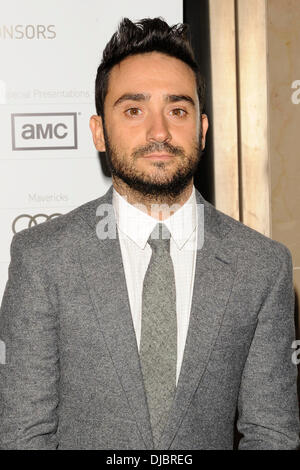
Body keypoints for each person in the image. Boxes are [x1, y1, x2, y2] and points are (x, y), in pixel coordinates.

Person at [0, 17, 299, 450]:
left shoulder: (262, 265)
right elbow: (23, 436)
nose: (158, 131)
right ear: (100, 132)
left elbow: (271, 434)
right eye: (134, 110)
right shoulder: (43, 258)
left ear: (201, 128)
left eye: (177, 110)